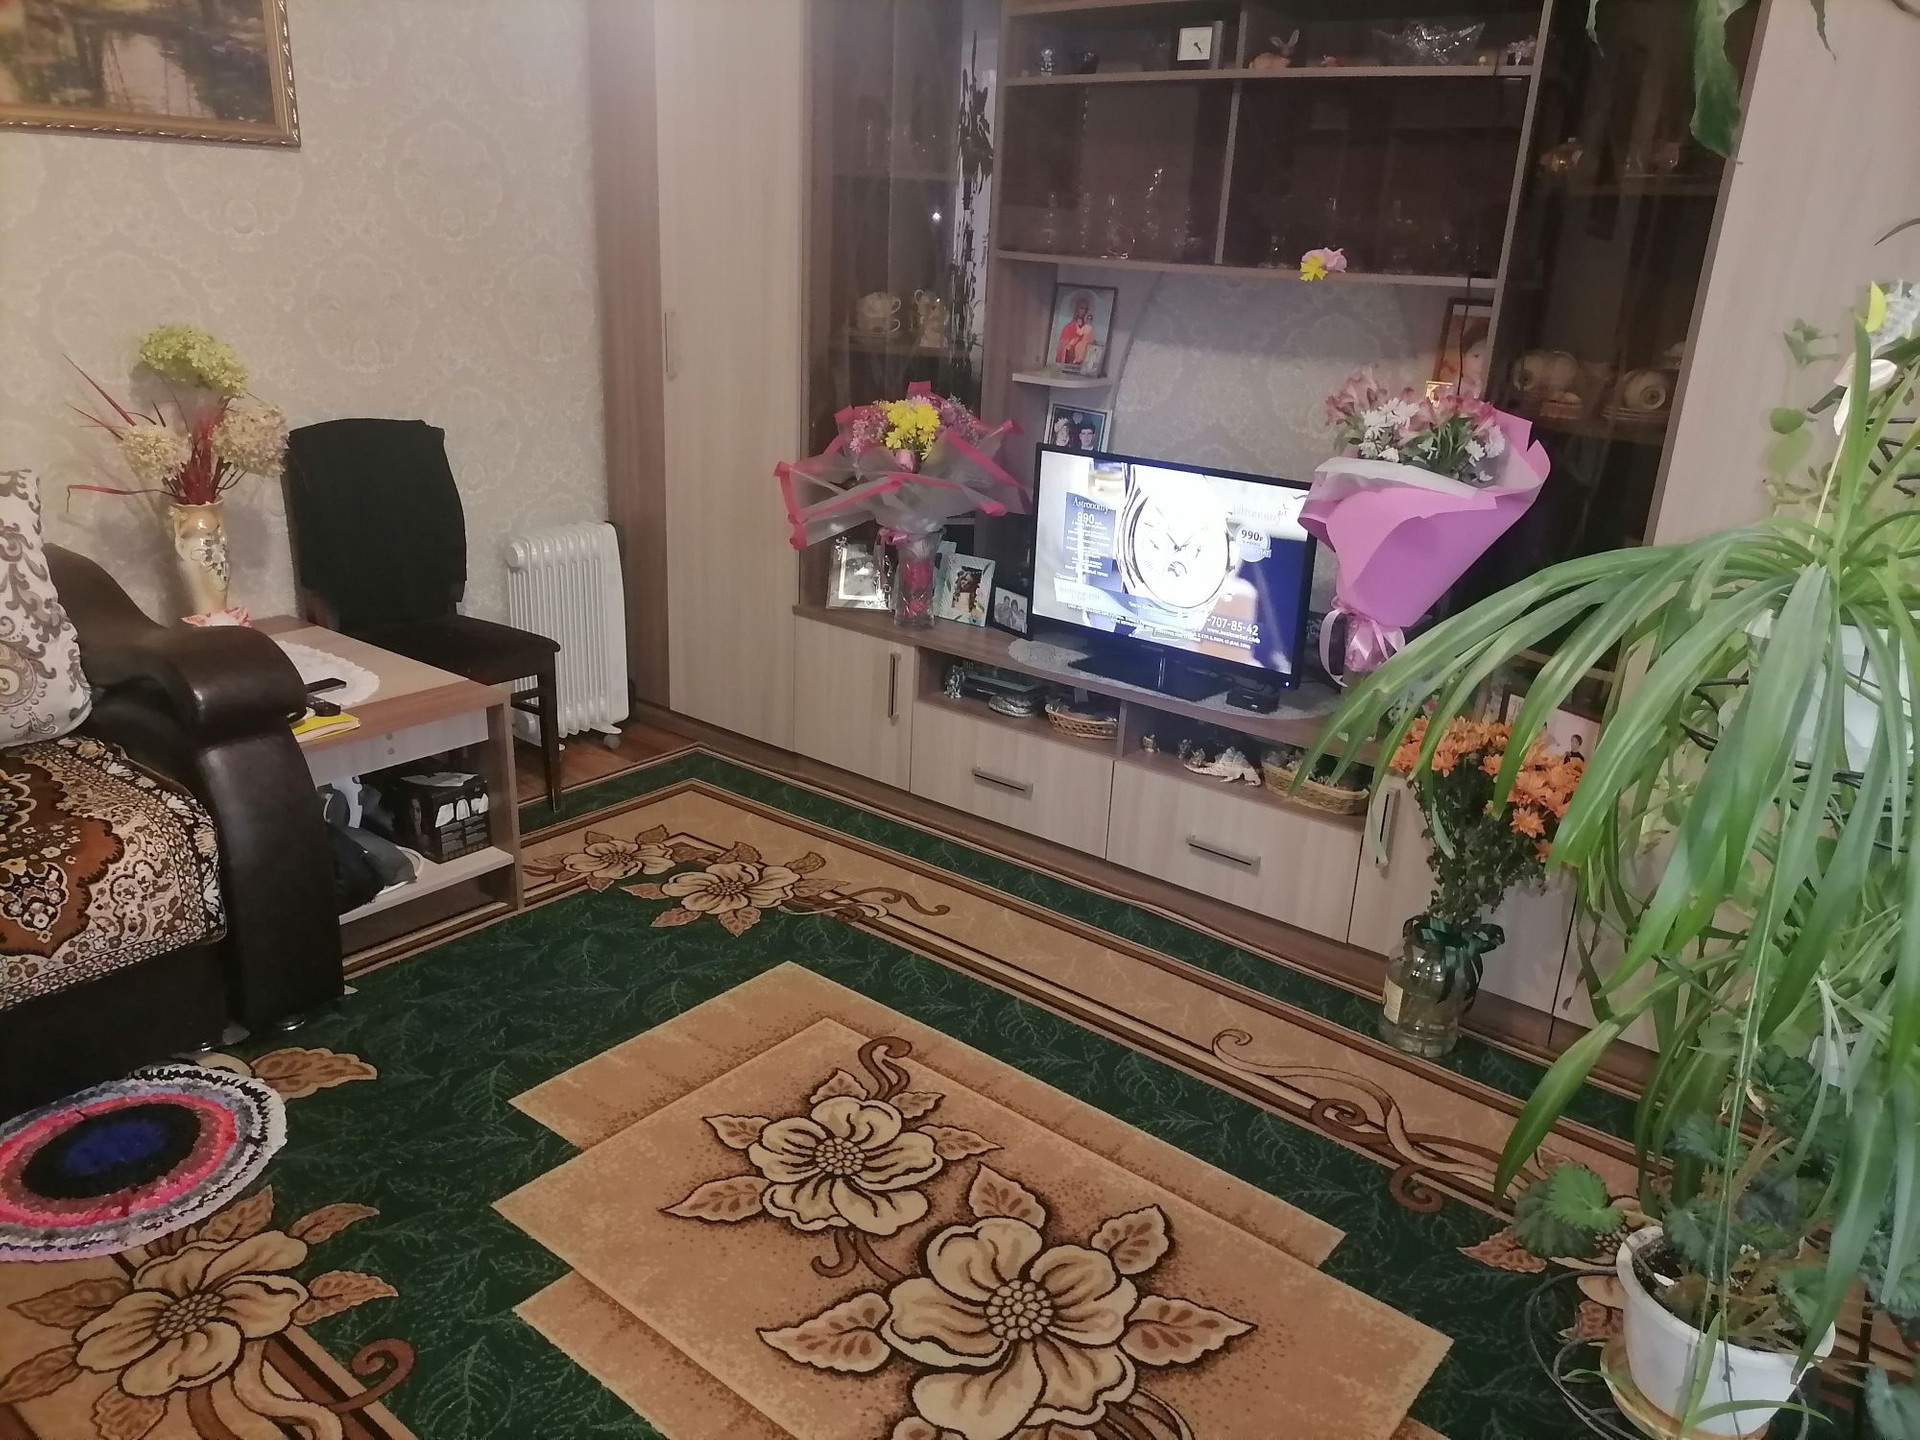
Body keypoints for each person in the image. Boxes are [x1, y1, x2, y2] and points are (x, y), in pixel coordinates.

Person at [1055, 292, 1096, 370]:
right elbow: (1061, 348)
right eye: (1081, 308)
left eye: (1086, 309)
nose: (1083, 311)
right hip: (1069, 361)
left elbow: (1091, 344)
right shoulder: (1068, 327)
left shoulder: (1089, 328)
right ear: (1076, 308)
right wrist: (1071, 344)